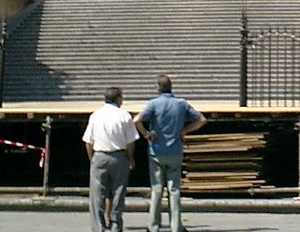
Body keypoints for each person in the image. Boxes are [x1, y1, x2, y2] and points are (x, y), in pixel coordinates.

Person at [135, 75, 207, 232]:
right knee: (174, 190)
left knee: (156, 189)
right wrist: (185, 130)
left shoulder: (154, 104)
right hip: (175, 150)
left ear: (158, 88)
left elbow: (136, 120)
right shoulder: (181, 103)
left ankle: (153, 226)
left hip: (156, 151)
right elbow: (201, 119)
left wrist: (147, 134)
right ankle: (176, 226)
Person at [82, 86, 140, 232]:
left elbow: (88, 141)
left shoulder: (95, 115)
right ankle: (115, 226)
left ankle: (98, 227)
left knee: (97, 195)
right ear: (118, 99)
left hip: (100, 155)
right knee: (118, 193)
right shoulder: (124, 116)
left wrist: (92, 159)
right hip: (119, 156)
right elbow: (131, 141)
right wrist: (130, 158)